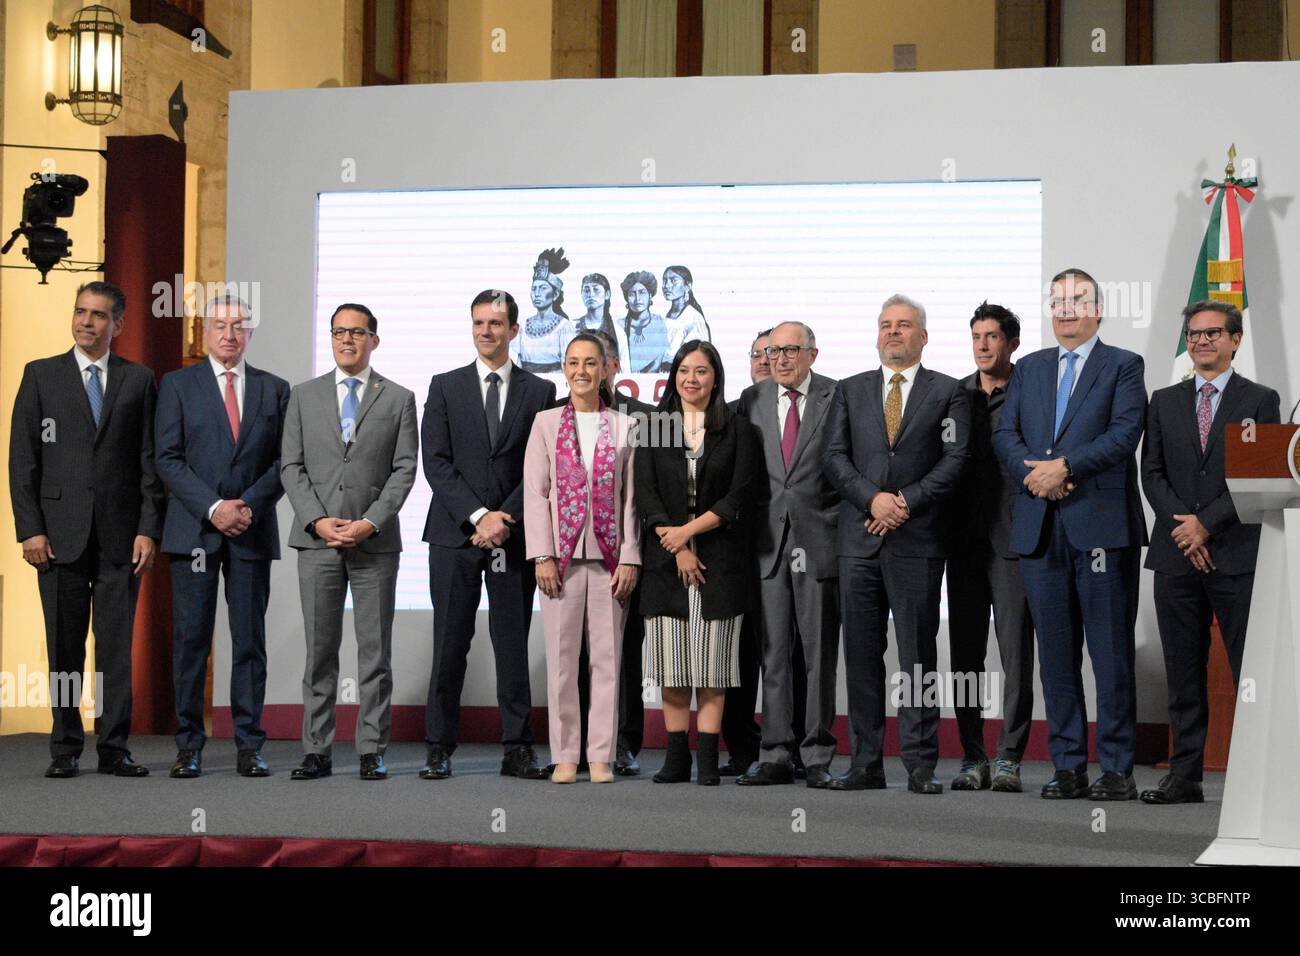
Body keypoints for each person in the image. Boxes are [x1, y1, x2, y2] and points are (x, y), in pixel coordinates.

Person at [992, 268, 1147, 800]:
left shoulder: (1123, 365)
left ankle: (1117, 769)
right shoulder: (1030, 368)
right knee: (1056, 658)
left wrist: (1064, 468)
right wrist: (1034, 473)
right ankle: (1067, 767)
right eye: (1057, 301)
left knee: (1109, 657)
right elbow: (1005, 434)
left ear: (1098, 310)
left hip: (1101, 530)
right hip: (1038, 528)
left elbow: (1124, 434)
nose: (1066, 309)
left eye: (1077, 300)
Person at [9, 281, 163, 778]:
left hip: (122, 538)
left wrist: (148, 529)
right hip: (57, 538)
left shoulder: (138, 380)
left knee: (115, 652)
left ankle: (114, 748)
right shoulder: (40, 376)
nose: (85, 322)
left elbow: (149, 462)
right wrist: (30, 530)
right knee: (65, 649)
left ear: (117, 324)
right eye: (80, 312)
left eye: (98, 315)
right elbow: (22, 461)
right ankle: (64, 748)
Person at [823, 294, 969, 794]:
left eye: (904, 325)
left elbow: (955, 460)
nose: (893, 333)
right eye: (886, 325)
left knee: (917, 659)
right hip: (859, 542)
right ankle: (865, 763)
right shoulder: (849, 390)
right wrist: (874, 502)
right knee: (862, 657)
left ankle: (921, 765)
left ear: (922, 337)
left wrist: (902, 502)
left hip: (917, 541)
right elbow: (835, 458)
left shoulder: (948, 392)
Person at [1140, 299, 1280, 804]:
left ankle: (1255, 778)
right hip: (1175, 555)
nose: (1201, 341)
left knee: (1249, 672)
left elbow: (1260, 474)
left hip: (1236, 553)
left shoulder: (1261, 399)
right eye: (1194, 334)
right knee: (1183, 670)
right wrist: (1185, 529)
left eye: (1212, 333)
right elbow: (1150, 473)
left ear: (1235, 340)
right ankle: (1185, 777)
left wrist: (1207, 525)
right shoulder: (1163, 399)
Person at [421, 290, 558, 781]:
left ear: (514, 331)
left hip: (514, 536)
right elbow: (435, 462)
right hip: (454, 536)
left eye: (497, 323)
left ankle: (517, 749)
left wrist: (504, 518)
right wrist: (479, 516)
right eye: (479, 322)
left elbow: (540, 465)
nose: (486, 331)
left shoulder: (540, 391)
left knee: (511, 643)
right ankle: (438, 746)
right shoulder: (444, 386)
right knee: (450, 642)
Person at [281, 303, 418, 781]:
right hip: (316, 542)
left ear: (373, 340)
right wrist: (317, 520)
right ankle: (316, 749)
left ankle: (370, 749)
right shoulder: (303, 396)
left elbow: (405, 470)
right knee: (320, 651)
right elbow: (291, 467)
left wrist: (370, 522)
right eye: (339, 332)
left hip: (373, 544)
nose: (347, 340)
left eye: (357, 332)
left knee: (374, 652)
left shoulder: (399, 398)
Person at [155, 295, 290, 779]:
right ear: (205, 331)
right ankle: (188, 745)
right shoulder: (177, 385)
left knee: (249, 641)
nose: (229, 333)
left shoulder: (276, 389)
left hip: (250, 532)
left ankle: (249, 745)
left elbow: (284, 463)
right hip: (193, 532)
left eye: (239, 325)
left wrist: (245, 507)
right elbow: (167, 458)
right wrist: (214, 509)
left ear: (250, 333)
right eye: (220, 324)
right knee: (191, 641)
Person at [635, 340, 761, 785]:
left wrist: (689, 534)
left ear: (716, 377)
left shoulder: (740, 430)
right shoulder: (653, 427)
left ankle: (707, 758)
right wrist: (678, 545)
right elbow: (646, 494)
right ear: (674, 376)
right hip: (666, 563)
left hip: (720, 564)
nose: (692, 379)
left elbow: (739, 496)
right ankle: (676, 758)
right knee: (672, 667)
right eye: (685, 370)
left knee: (713, 667)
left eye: (702, 371)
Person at [524, 333, 642, 783]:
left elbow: (631, 500)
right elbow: (536, 496)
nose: (581, 371)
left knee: (607, 661)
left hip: (612, 561)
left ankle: (600, 755)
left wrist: (631, 556)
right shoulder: (545, 423)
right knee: (561, 660)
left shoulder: (625, 426)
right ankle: (565, 754)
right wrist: (541, 555)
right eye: (573, 362)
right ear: (564, 367)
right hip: (561, 560)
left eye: (590, 362)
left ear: (606, 369)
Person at [735, 321, 841, 789]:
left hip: (819, 541)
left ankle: (816, 755)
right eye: (773, 351)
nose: (779, 359)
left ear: (812, 355)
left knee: (819, 655)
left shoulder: (837, 397)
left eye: (790, 350)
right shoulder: (751, 400)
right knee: (773, 653)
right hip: (767, 545)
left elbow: (847, 465)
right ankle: (775, 752)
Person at [945, 302, 1035, 793]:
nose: (982, 345)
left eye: (992, 336)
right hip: (962, 543)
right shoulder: (953, 395)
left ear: (1012, 343)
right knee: (965, 658)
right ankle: (972, 756)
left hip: (1014, 539)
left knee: (1016, 653)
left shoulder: (1031, 391)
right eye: (976, 336)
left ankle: (1010, 757)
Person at [575, 329, 656, 775]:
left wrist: (633, 553)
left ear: (614, 366)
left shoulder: (646, 418)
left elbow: (649, 493)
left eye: (600, 360)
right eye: (582, 360)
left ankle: (624, 743)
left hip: (628, 555)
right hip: (575, 555)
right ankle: (583, 743)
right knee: (578, 652)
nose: (590, 369)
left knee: (622, 652)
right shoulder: (558, 416)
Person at [720, 327, 775, 776]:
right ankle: (740, 742)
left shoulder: (812, 405)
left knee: (784, 651)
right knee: (738, 653)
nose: (764, 361)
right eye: (757, 354)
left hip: (791, 549)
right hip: (738, 551)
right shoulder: (733, 412)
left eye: (773, 353)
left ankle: (785, 743)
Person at [512, 249, 575, 372]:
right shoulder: (522, 326)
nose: (537, 294)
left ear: (555, 294)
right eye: (534, 289)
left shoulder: (564, 327)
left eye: (543, 288)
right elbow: (515, 360)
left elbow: (569, 365)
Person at [620, 271, 670, 373]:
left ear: (650, 295)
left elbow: (659, 360)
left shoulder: (660, 323)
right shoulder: (618, 326)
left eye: (642, 292)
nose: (637, 299)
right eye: (632, 294)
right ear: (626, 298)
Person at [662, 265, 711, 359]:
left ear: (687, 286)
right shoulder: (666, 316)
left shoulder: (694, 318)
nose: (667, 286)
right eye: (665, 281)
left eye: (673, 281)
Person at [576, 273, 626, 362]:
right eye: (586, 290)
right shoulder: (572, 327)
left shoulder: (618, 331)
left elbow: (625, 370)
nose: (590, 295)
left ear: (607, 294)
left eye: (596, 290)